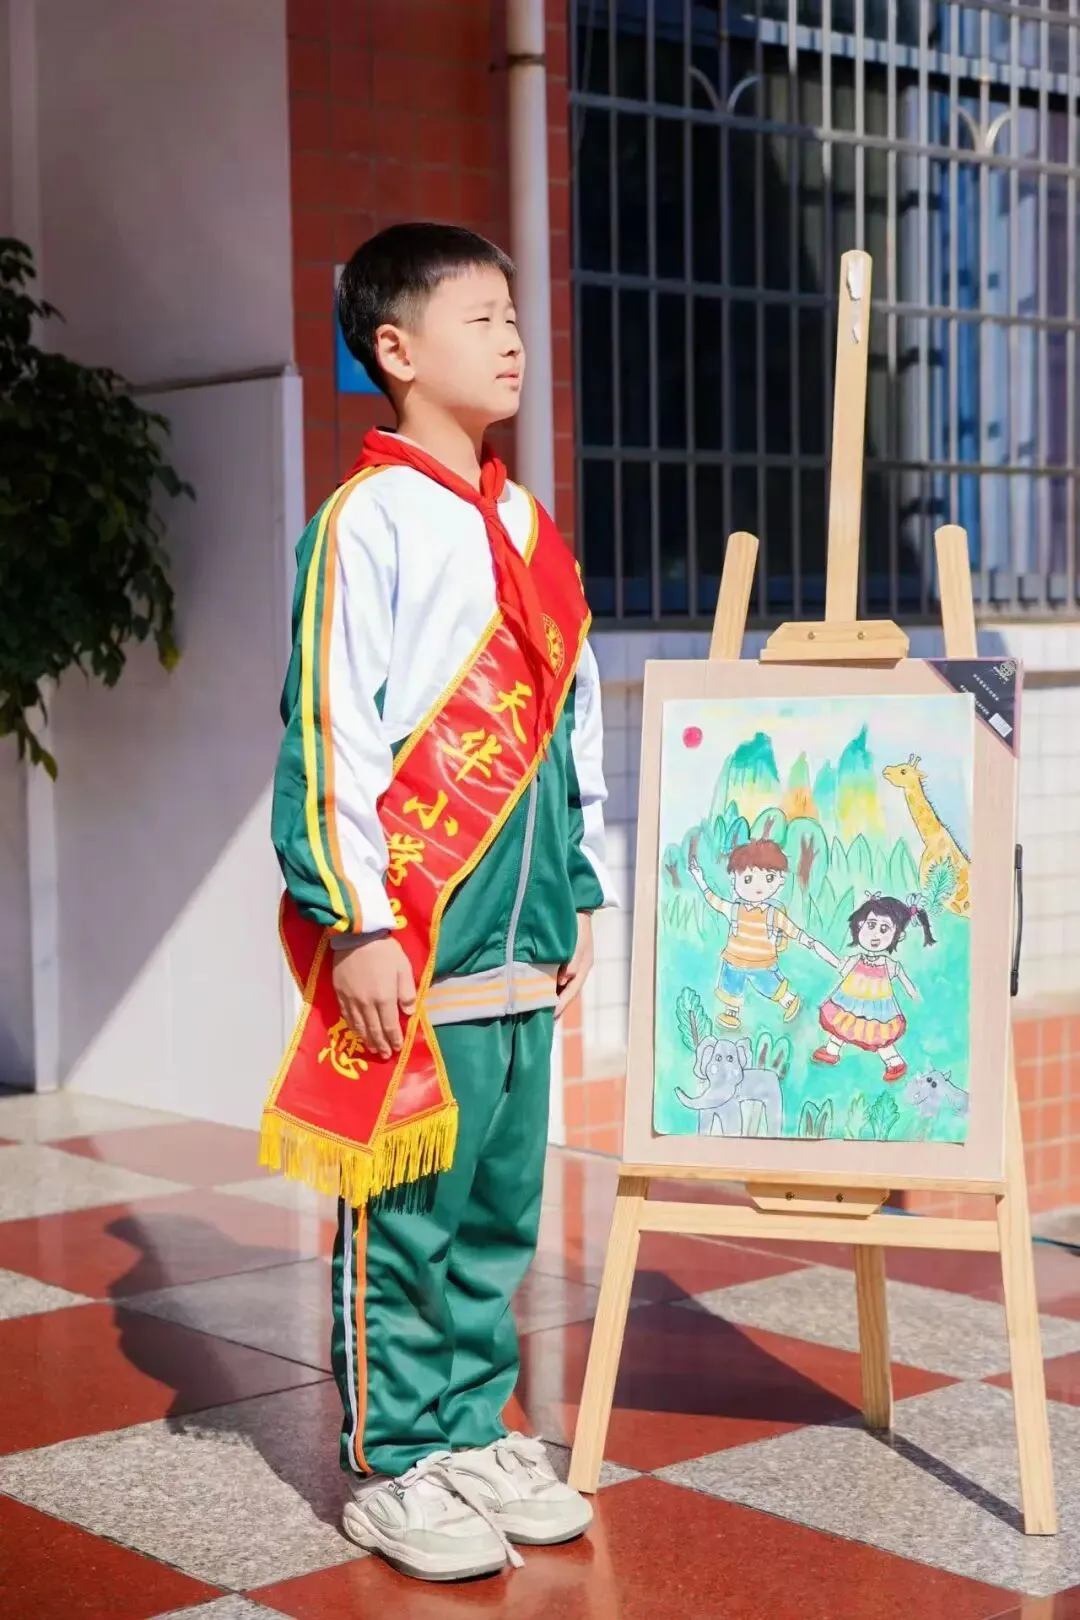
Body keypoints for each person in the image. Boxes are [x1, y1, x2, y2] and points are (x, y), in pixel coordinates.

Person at [261, 222, 614, 1584]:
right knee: (408, 1212)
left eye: (515, 316)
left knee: (500, 1213)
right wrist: (353, 921)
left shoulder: (526, 524)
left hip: (524, 946)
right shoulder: (366, 522)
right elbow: (329, 730)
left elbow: (567, 719)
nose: (513, 339)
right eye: (480, 318)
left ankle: (472, 1430)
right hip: (414, 945)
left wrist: (578, 885)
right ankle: (398, 1456)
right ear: (396, 351)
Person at [688, 839, 838, 1029]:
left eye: (769, 878)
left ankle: (789, 1001)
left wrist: (805, 939)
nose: (758, 887)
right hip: (734, 960)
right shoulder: (734, 909)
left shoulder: (773, 914)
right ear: (734, 879)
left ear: (780, 880)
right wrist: (700, 879)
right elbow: (712, 900)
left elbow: (792, 930)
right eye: (748, 879)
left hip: (762, 962)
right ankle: (731, 1013)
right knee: (731, 985)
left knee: (769, 985)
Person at [813, 892, 934, 1081]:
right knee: (843, 1024)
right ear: (860, 925)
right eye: (871, 925)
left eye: (884, 929)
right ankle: (832, 1050)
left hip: (879, 1010)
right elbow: (835, 962)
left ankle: (894, 1062)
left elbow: (910, 988)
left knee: (879, 1035)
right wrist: (816, 946)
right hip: (849, 1003)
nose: (875, 935)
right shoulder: (856, 960)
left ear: (899, 935)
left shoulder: (890, 966)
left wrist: (917, 999)